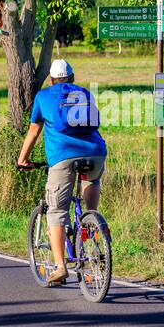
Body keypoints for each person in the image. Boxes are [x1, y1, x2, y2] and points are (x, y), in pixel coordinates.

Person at [17, 59, 107, 284]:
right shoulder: (85, 93)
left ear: (51, 79)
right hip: (96, 152)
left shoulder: (43, 96)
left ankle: (60, 267)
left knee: (56, 211)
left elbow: (34, 130)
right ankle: (91, 220)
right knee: (91, 181)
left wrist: (23, 158)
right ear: (72, 77)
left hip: (63, 157)